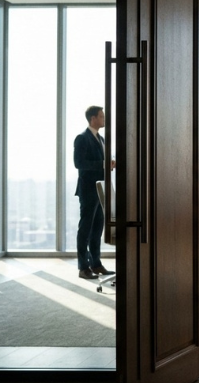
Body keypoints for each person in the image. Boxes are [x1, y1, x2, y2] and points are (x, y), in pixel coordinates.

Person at [74, 106, 116, 280]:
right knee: (85, 228)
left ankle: (96, 263)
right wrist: (104, 164)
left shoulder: (101, 138)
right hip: (89, 189)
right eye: (101, 116)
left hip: (102, 190)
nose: (104, 119)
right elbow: (79, 163)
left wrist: (110, 163)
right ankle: (83, 267)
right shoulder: (82, 138)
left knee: (97, 228)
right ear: (93, 119)